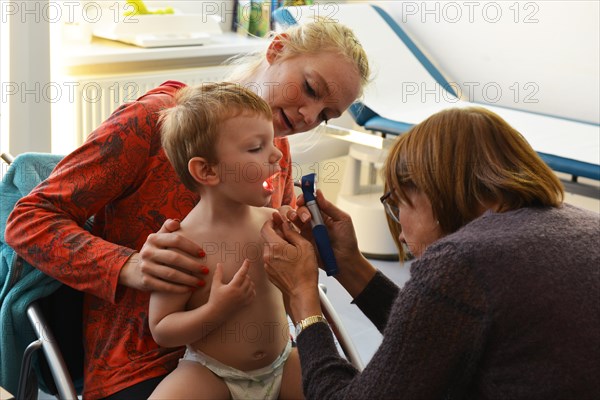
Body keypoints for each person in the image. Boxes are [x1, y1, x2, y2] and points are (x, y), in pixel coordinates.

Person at [5, 19, 369, 399]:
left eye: (326, 114)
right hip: (145, 361)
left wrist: (306, 244)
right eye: (310, 89)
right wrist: (127, 265)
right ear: (277, 49)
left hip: (253, 358)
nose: (309, 116)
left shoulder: (277, 153)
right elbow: (28, 220)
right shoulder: (155, 121)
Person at [261, 106, 600, 399]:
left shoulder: (464, 259)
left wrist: (302, 297)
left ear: (427, 189)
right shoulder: (581, 227)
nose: (399, 224)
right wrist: (349, 264)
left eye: (395, 203)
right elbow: (436, 330)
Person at [148, 82, 303, 400]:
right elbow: (162, 328)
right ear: (207, 171)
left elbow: (296, 284)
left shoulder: (271, 222)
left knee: (339, 380)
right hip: (213, 374)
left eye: (271, 142)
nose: (276, 154)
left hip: (283, 362)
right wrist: (216, 311)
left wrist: (302, 237)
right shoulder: (182, 246)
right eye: (256, 147)